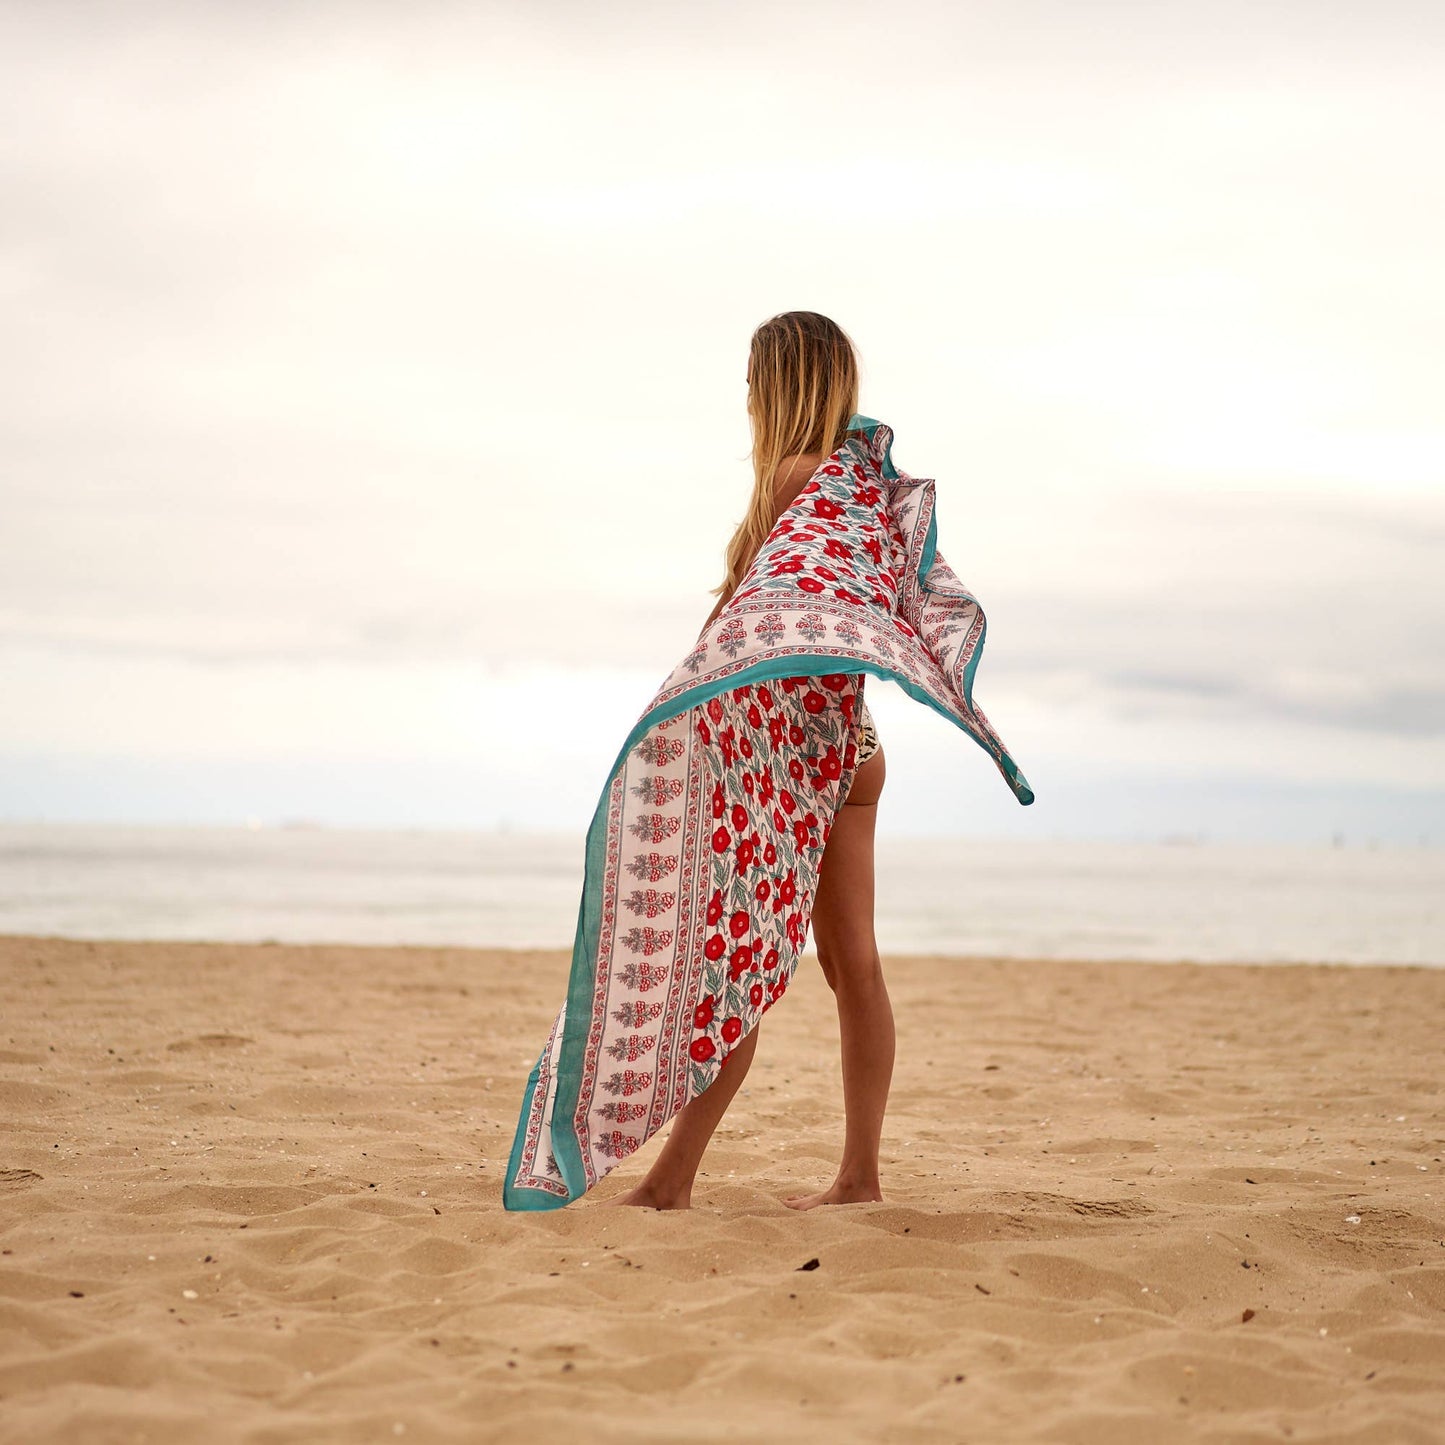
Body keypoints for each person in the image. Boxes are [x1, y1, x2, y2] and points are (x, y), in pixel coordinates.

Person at [607, 311, 894, 1211]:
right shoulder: (858, 487)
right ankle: (858, 1178)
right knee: (852, 965)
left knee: (735, 961)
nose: (742, 398)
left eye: (749, 382)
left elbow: (744, 630)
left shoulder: (789, 482)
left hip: (787, 754)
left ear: (776, 385)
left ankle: (670, 1182)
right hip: (851, 745)